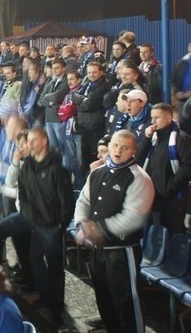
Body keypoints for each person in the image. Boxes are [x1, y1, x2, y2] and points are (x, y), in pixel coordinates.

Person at [0, 128, 74, 326]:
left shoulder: (58, 170)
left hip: (50, 224)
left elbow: (67, 204)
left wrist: (58, 226)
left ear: (44, 142)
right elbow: (22, 193)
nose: (29, 144)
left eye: (34, 140)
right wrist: (27, 213)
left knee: (52, 265)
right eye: (29, 141)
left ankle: (55, 309)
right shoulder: (27, 166)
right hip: (28, 217)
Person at [74, 130, 154, 332]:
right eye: (115, 145)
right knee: (104, 298)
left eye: (125, 148)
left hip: (122, 251)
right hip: (98, 250)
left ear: (133, 151)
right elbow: (83, 201)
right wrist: (81, 224)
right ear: (109, 146)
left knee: (126, 303)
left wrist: (97, 229)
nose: (118, 151)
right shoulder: (97, 173)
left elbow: (133, 217)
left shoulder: (139, 178)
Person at [138, 103, 191, 234]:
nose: (153, 122)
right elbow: (138, 158)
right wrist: (146, 138)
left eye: (157, 118)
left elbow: (187, 168)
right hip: (151, 196)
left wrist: (170, 187)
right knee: (154, 235)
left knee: (174, 234)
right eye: (152, 118)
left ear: (168, 118)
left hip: (172, 199)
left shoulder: (182, 139)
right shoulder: (153, 139)